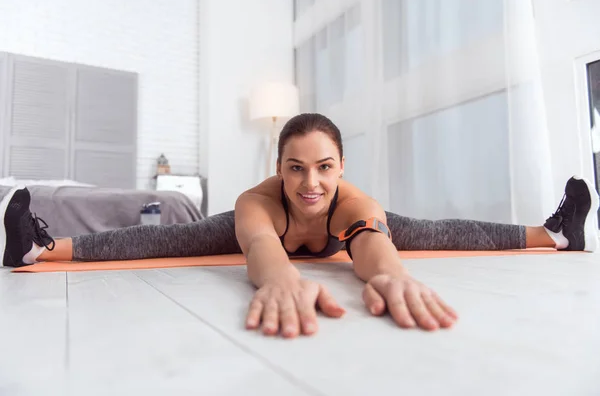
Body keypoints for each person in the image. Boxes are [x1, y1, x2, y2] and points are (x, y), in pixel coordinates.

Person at [1, 113, 598, 338]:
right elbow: (261, 245)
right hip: (261, 236)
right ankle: (37, 246)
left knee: (439, 228)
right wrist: (278, 280)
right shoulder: (256, 203)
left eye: (324, 168)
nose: (311, 183)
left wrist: (390, 278)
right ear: (279, 170)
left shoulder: (350, 202)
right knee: (160, 238)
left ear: (340, 169)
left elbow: (371, 248)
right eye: (296, 169)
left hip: (350, 232)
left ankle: (559, 234)